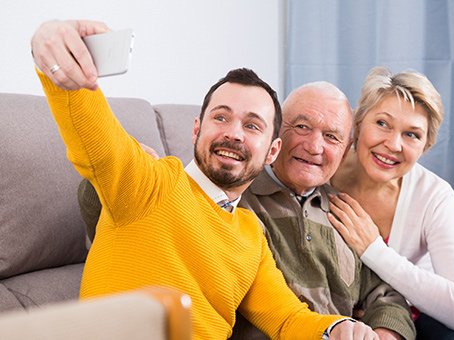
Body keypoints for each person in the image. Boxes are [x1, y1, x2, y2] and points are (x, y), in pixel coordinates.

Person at [31, 19, 379, 340]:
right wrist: (50, 44)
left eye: (252, 125)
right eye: (221, 117)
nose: (234, 134)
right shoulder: (149, 181)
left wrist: (338, 328)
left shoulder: (250, 234)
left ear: (272, 151)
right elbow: (91, 128)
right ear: (196, 129)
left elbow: (286, 319)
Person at [77, 81, 416, 340]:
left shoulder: (348, 213)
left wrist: (376, 331)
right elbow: (122, 214)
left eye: (331, 136)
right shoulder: (229, 192)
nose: (314, 146)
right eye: (301, 126)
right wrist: (112, 178)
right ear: (276, 141)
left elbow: (383, 294)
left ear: (345, 151)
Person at [327, 66, 454, 340]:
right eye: (382, 123)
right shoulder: (320, 171)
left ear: (426, 146)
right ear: (358, 123)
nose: (393, 144)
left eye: (412, 134)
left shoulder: (433, 195)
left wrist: (374, 250)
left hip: (417, 312)